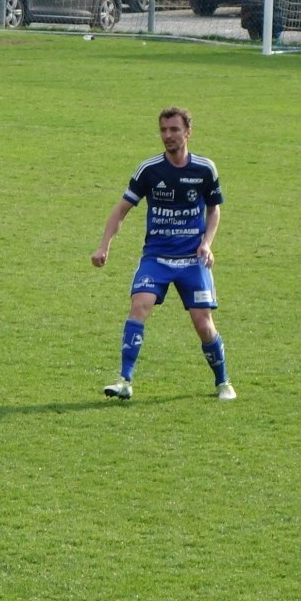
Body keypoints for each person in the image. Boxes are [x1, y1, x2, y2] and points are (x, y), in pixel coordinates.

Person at [91, 107, 235, 402]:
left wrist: (207, 243)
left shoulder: (205, 169)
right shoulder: (149, 170)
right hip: (156, 257)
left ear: (188, 132)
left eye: (174, 130)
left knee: (203, 323)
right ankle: (124, 380)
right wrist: (104, 245)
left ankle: (223, 382)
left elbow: (214, 209)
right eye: (163, 130)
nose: (168, 136)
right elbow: (121, 209)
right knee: (138, 306)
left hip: (192, 260)